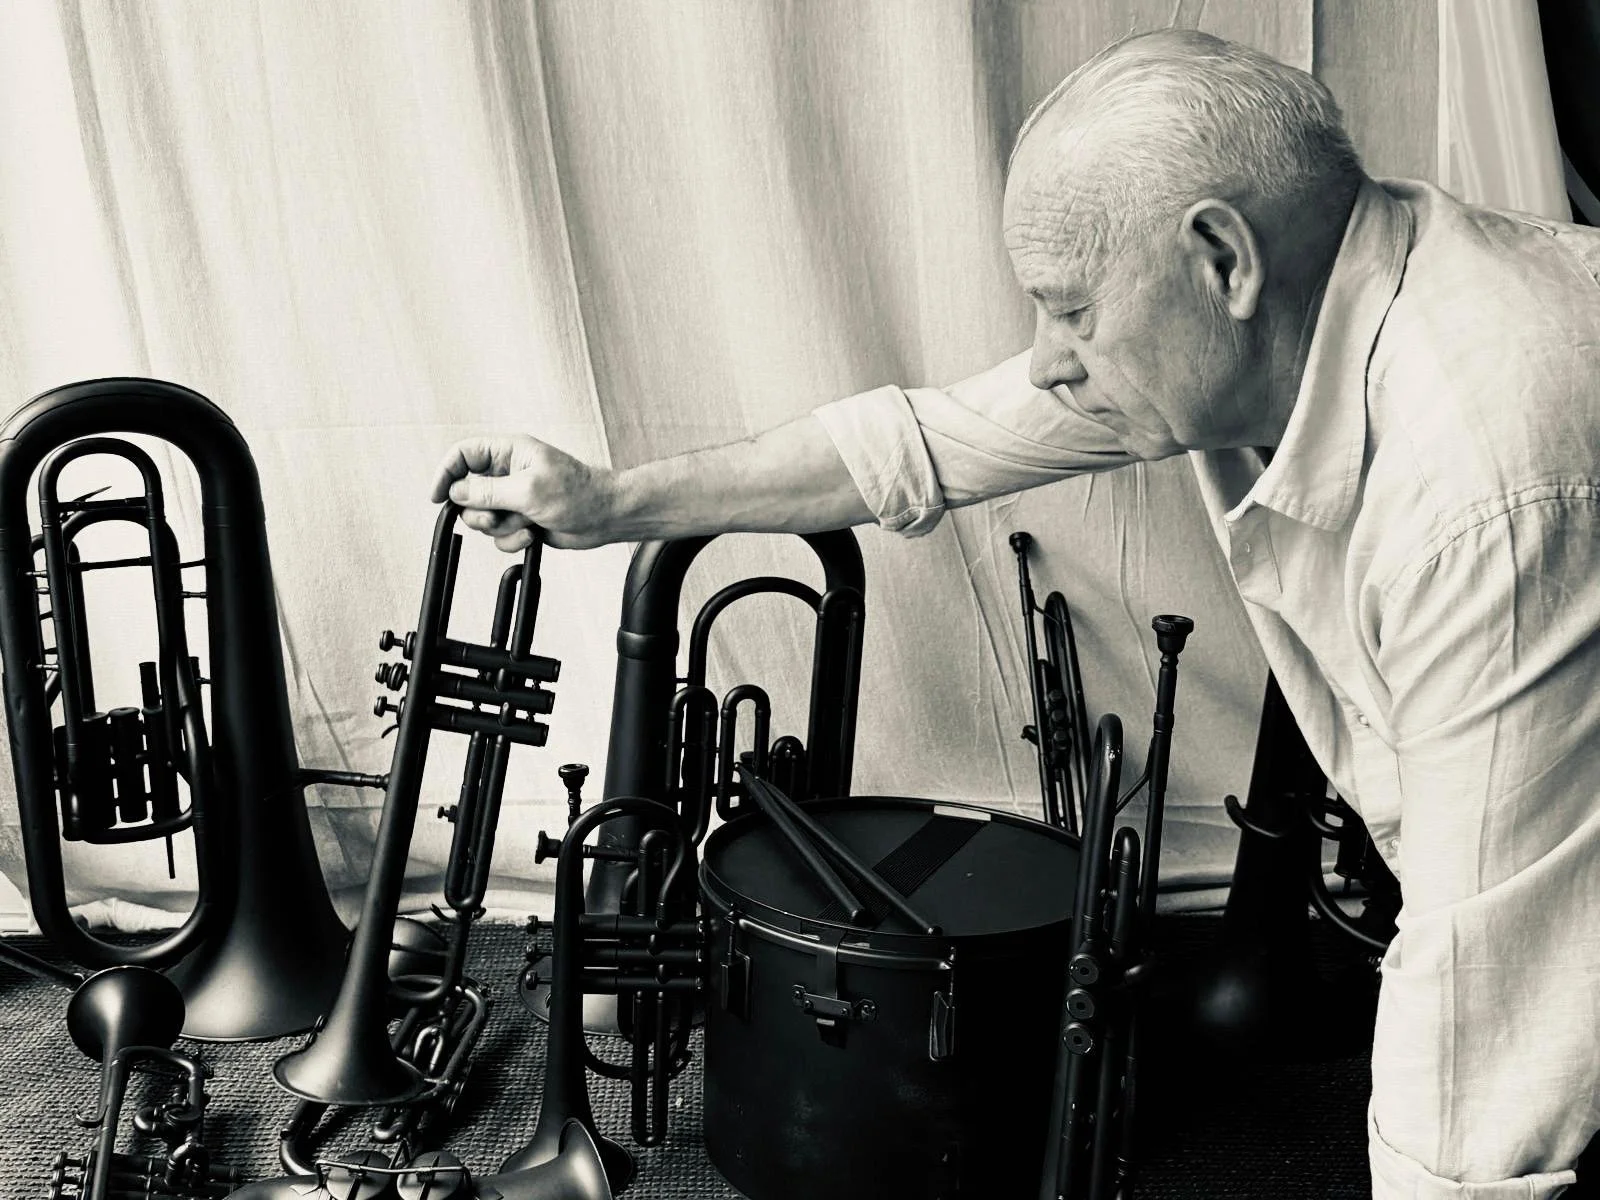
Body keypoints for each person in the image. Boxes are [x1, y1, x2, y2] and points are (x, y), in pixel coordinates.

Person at [431, 28, 1600, 1199]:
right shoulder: (1301, 309)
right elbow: (927, 441)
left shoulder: (1485, 487)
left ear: (1222, 258)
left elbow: (1481, 1020)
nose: (1045, 362)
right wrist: (609, 503)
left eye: (1070, 310)